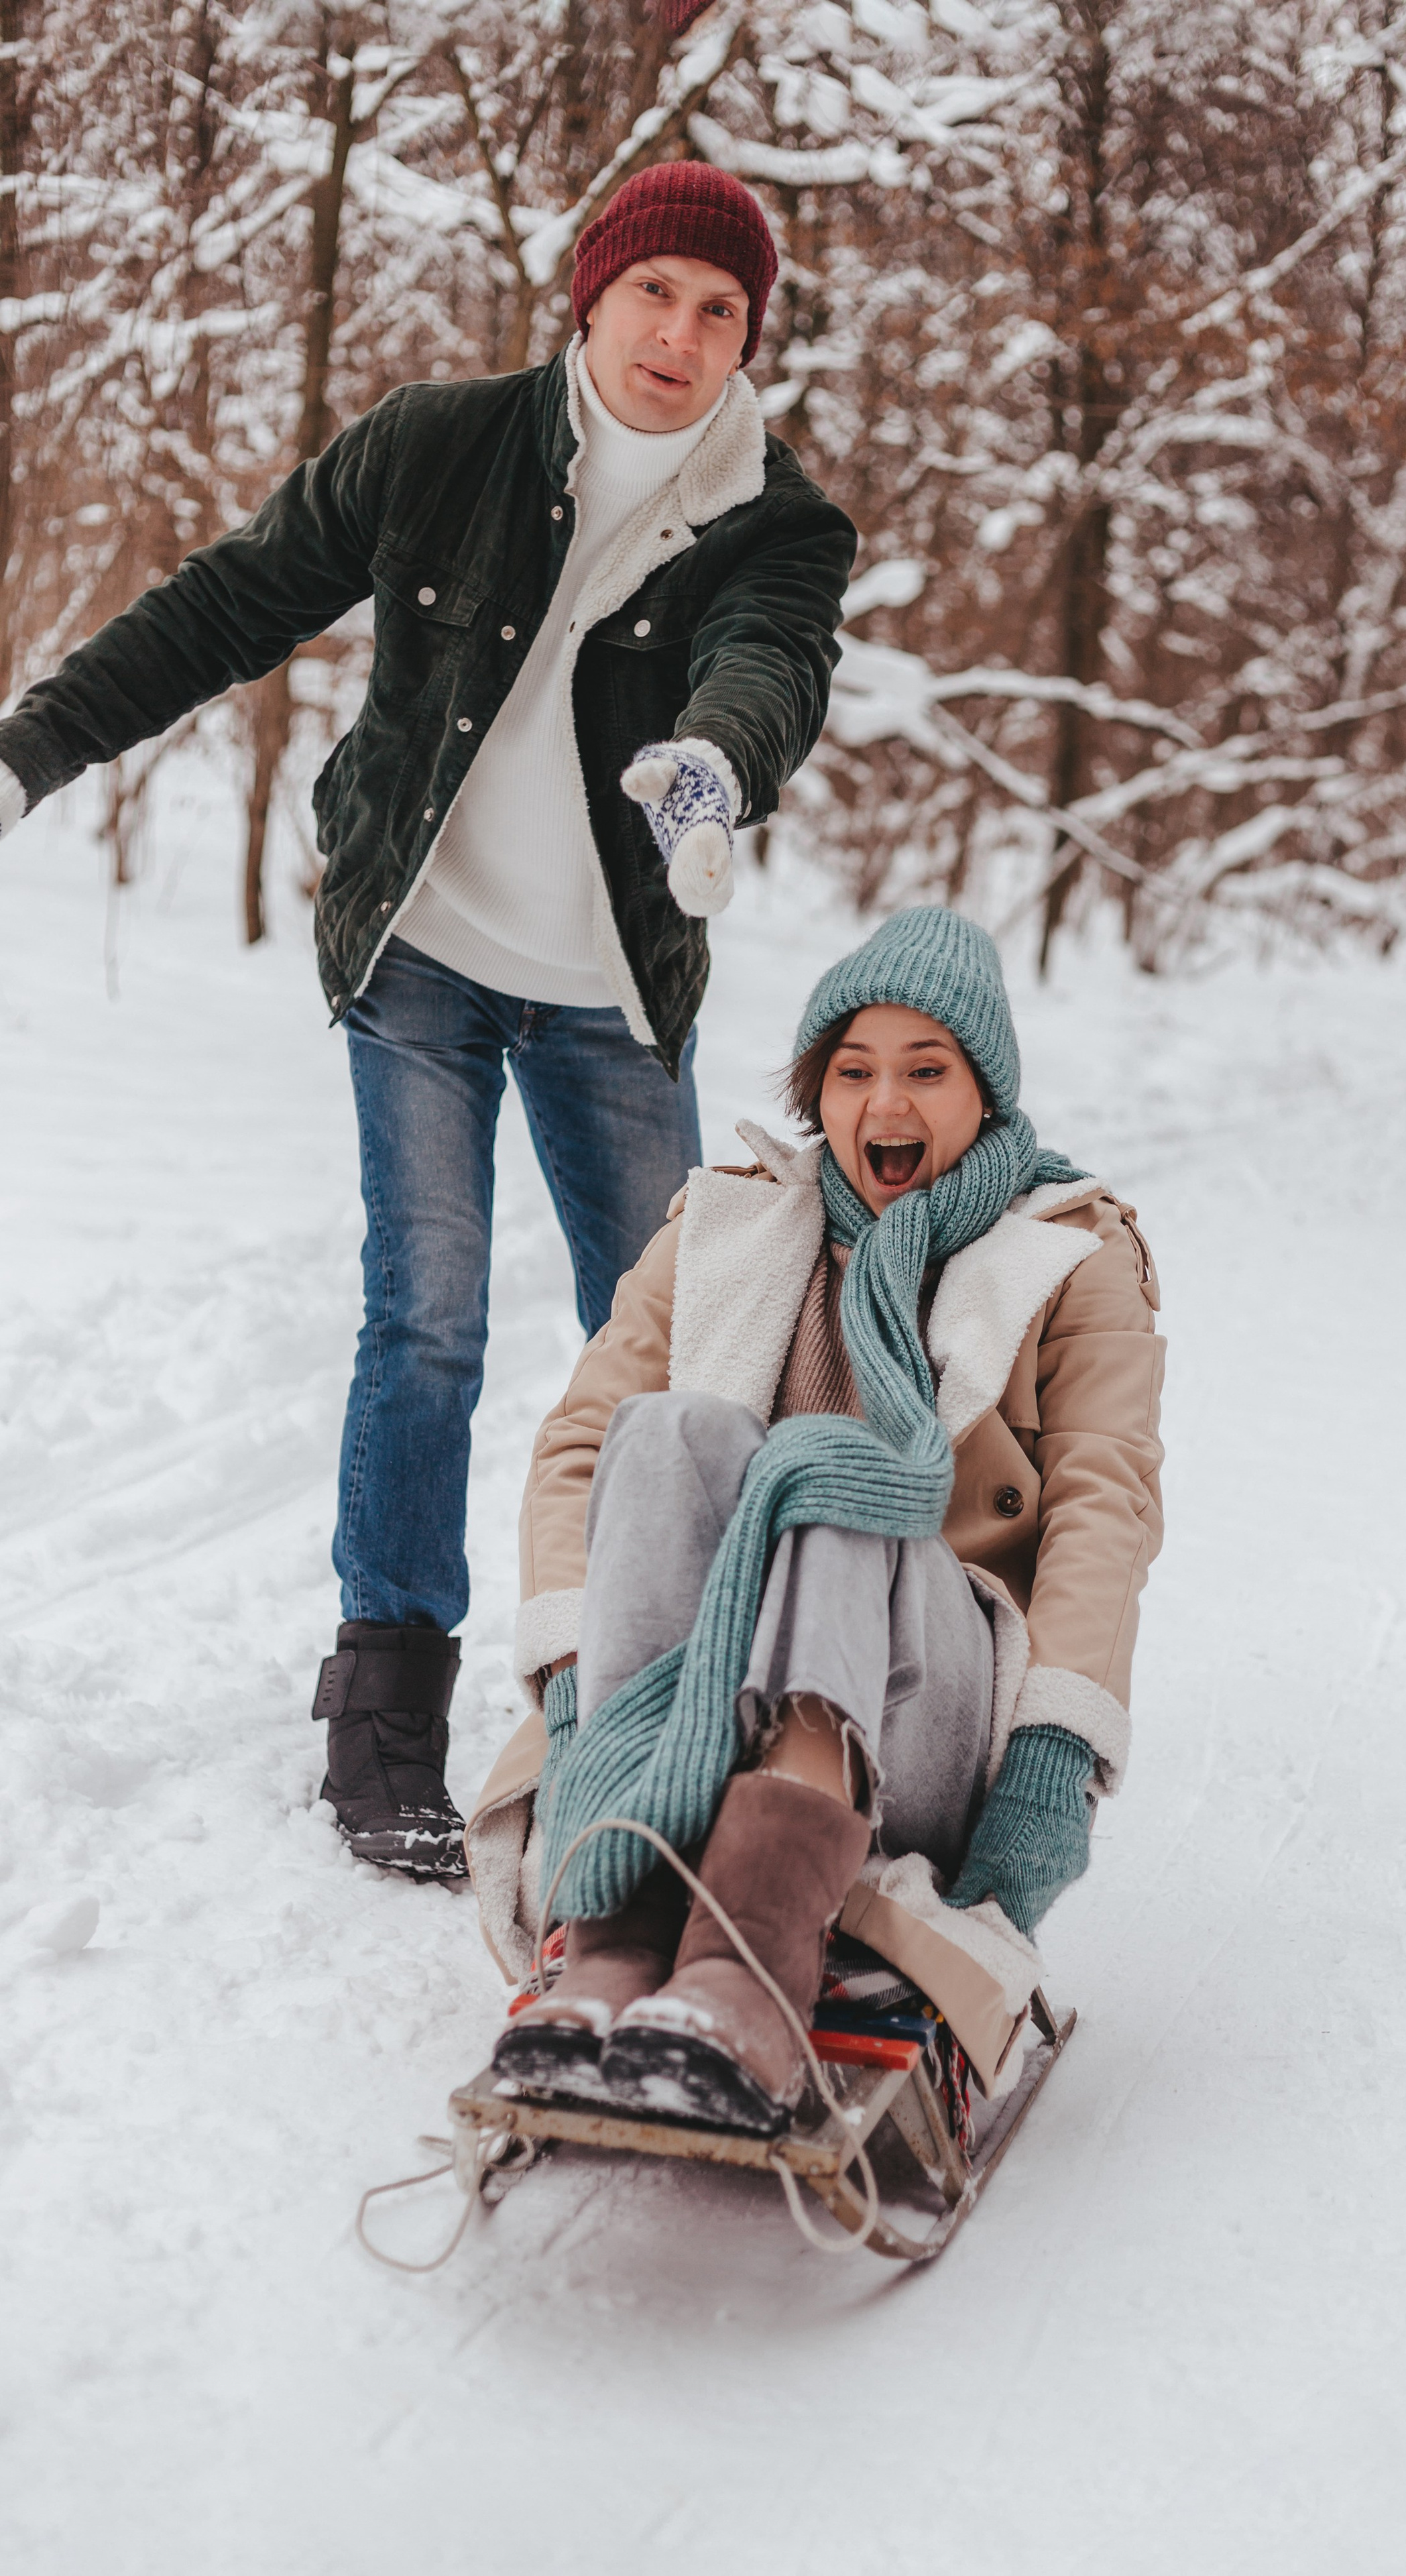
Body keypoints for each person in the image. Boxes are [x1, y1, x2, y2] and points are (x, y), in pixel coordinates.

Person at [0, 164, 856, 1881]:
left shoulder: (775, 518)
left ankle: (677, 1697)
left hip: (614, 991)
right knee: (430, 1324)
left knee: (683, 1364)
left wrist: (712, 763)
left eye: (719, 311)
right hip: (424, 955)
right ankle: (386, 1713)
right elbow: (231, 602)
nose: (680, 337)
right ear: (588, 297)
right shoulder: (436, 443)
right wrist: (35, 747)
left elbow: (771, 662)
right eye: (654, 296)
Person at [463, 906, 1167, 2135]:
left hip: (919, 1710)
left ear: (984, 1092)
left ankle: (752, 1960)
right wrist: (578, 1693)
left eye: (926, 1070)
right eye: (853, 1071)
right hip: (690, 1699)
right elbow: (581, 1446)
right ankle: (621, 1939)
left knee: (834, 1466)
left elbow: (1106, 1506)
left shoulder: (1070, 1253)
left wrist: (1054, 1760)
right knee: (667, 1433)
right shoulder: (729, 1221)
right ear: (819, 1091)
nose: (885, 1103)